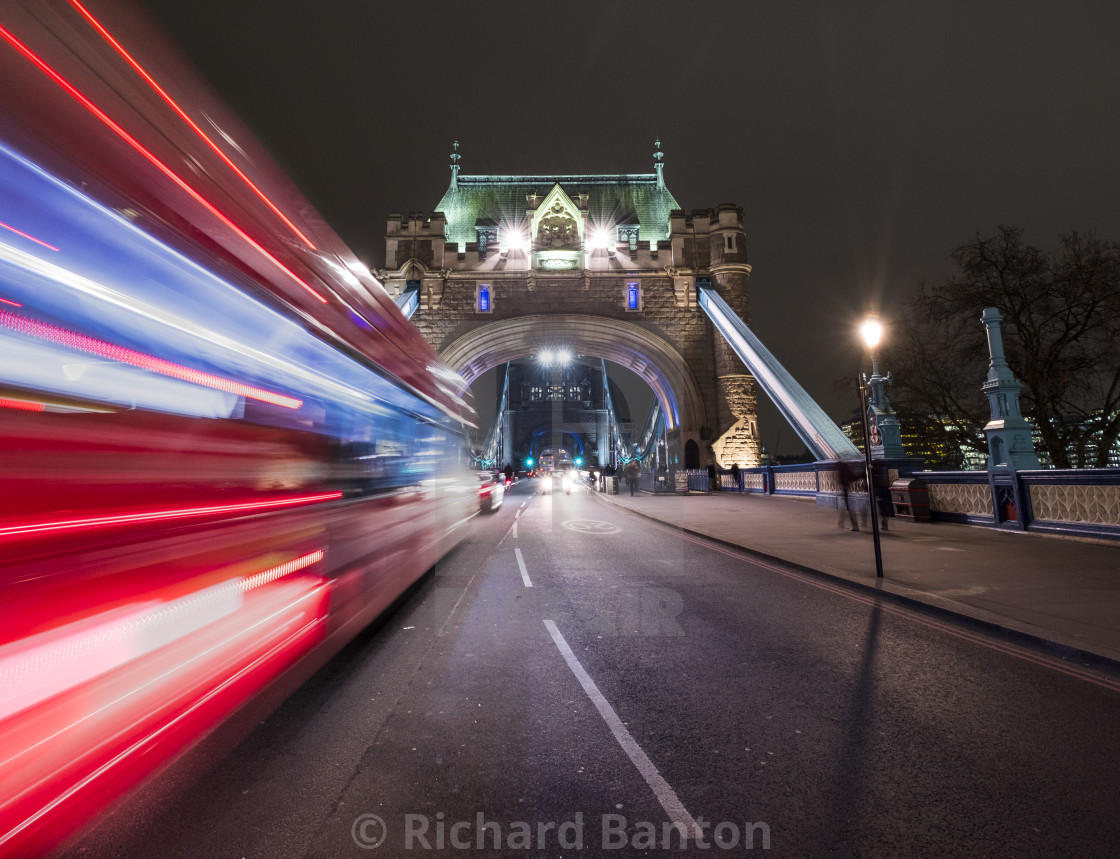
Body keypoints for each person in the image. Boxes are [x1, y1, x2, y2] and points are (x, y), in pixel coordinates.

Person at [838, 460, 860, 531]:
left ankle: (854, 526)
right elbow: (854, 478)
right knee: (848, 508)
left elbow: (841, 481)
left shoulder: (841, 472)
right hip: (850, 491)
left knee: (848, 509)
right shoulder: (848, 471)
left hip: (846, 491)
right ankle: (851, 524)